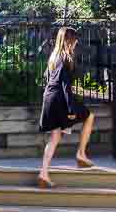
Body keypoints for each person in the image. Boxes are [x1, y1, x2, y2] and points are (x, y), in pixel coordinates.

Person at [37, 26, 95, 189]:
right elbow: (64, 85)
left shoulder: (53, 58)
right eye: (75, 41)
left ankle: (44, 173)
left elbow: (50, 81)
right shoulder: (65, 58)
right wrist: (70, 109)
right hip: (60, 99)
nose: (76, 44)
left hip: (49, 98)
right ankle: (81, 154)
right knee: (89, 116)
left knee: (55, 137)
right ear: (69, 41)